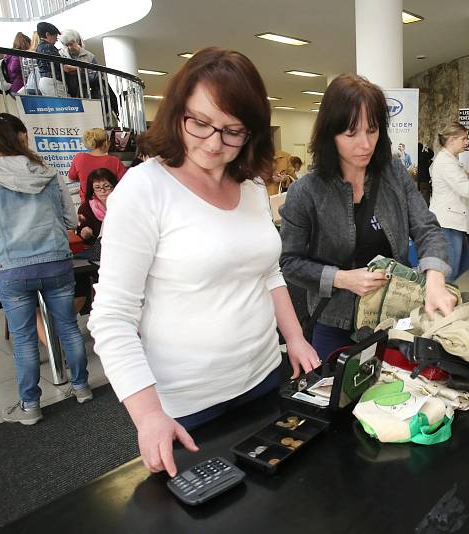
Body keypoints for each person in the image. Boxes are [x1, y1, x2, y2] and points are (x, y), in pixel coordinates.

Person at [88, 48, 320, 477]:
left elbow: (267, 271)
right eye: (200, 123)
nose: (214, 144)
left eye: (233, 131)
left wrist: (296, 338)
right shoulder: (144, 189)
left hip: (264, 376)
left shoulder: (249, 186)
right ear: (177, 113)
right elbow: (112, 317)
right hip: (187, 404)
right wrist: (148, 415)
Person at [280, 73, 456, 361]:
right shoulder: (306, 192)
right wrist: (342, 279)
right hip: (334, 322)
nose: (365, 144)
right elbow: (289, 263)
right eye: (351, 134)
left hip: (394, 315)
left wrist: (434, 280)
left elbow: (427, 228)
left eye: (372, 130)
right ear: (330, 134)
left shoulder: (393, 173)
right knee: (340, 400)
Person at [0, 113, 92, 425]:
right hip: (56, 261)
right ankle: (82, 387)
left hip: (11, 267)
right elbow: (71, 221)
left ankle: (30, 406)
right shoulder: (50, 174)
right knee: (69, 327)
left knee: (24, 337)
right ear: (24, 137)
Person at [429, 121, 469, 282]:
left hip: (454, 221)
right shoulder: (446, 162)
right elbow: (467, 190)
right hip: (448, 222)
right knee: (450, 269)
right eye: (463, 139)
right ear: (452, 140)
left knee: (464, 263)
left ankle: (442, 295)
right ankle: (440, 300)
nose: (467, 142)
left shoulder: (451, 160)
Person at [68, 128, 127, 200]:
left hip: (87, 204)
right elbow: (125, 183)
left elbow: (71, 179)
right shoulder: (115, 161)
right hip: (109, 203)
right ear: (106, 143)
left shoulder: (79, 158)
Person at [76, 167, 118, 243]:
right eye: (97, 187)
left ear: (114, 187)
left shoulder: (124, 204)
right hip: (97, 250)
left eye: (106, 186)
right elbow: (80, 236)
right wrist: (85, 234)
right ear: (92, 190)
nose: (103, 191)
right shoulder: (85, 209)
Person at [58, 29, 99, 99]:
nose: (69, 47)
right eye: (66, 45)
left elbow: (94, 75)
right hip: (67, 90)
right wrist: (81, 69)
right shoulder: (60, 54)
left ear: (77, 41)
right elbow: (64, 69)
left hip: (86, 91)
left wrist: (74, 70)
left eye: (71, 44)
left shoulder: (89, 56)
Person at [34, 22, 67, 97]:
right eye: (55, 36)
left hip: (43, 81)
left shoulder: (39, 47)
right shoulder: (49, 47)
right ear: (47, 34)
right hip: (53, 82)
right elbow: (62, 66)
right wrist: (78, 68)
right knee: (65, 105)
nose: (56, 39)